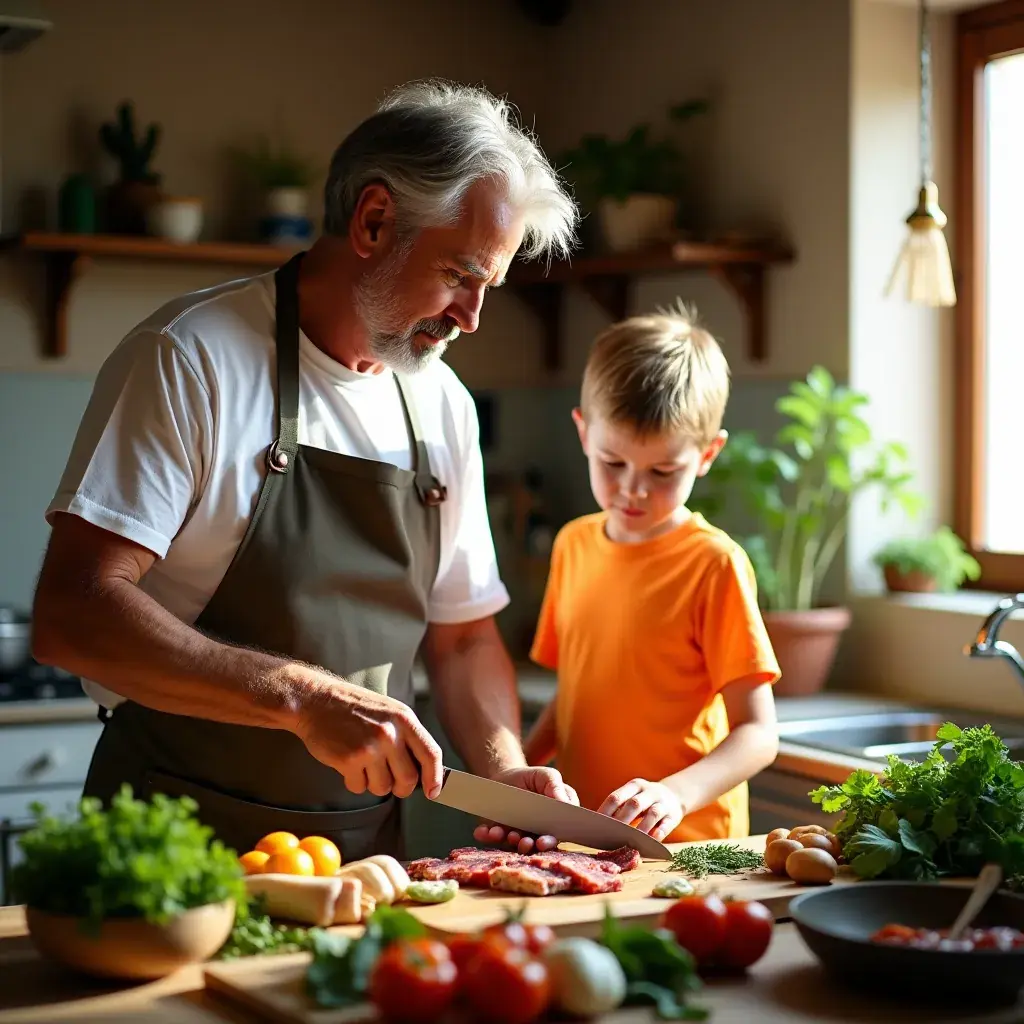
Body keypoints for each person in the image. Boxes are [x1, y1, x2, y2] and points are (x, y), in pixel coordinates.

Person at [30, 80, 580, 861]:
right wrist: (299, 695)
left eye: (488, 286)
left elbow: (461, 639)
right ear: (374, 220)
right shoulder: (192, 358)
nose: (473, 317)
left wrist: (505, 768)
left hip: (362, 861)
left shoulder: (443, 405)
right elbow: (73, 612)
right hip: (174, 850)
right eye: (460, 275)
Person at [523, 306, 781, 843]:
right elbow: (576, 694)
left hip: (687, 848)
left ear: (708, 454)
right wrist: (516, 772)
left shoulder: (713, 564)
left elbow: (759, 734)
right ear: (583, 433)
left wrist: (675, 794)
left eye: (663, 472)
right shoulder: (573, 545)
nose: (633, 490)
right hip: (584, 835)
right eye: (612, 462)